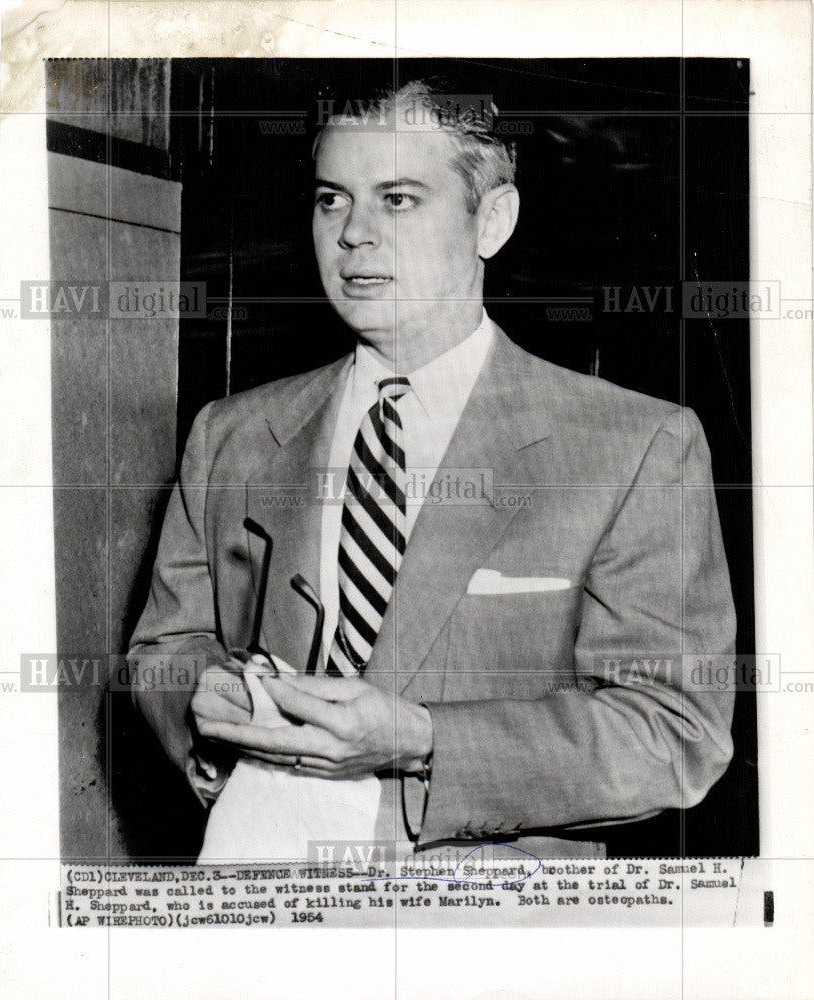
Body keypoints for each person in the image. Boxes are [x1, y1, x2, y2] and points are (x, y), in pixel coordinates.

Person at [129, 82, 736, 861]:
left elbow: (676, 731)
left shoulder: (638, 445)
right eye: (331, 199)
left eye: (399, 199)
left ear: (493, 221)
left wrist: (420, 741)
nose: (353, 235)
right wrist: (209, 715)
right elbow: (167, 645)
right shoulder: (231, 436)